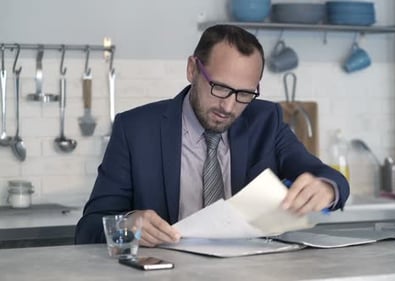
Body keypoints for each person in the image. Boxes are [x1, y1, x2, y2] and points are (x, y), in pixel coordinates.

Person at [75, 24, 350, 246]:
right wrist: (127, 224)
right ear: (192, 70)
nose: (228, 107)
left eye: (244, 94)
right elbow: (89, 228)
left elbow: (327, 176)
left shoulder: (266, 120)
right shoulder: (135, 129)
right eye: (219, 88)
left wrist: (327, 187)